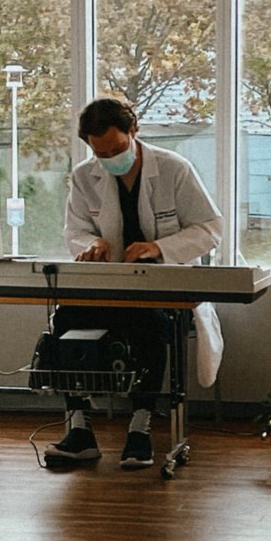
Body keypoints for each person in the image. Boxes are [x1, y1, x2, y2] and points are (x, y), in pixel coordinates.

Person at [44, 97, 223, 468]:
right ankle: (79, 430)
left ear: (134, 132)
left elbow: (210, 228)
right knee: (64, 322)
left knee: (149, 325)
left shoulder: (173, 169)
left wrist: (159, 247)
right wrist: (90, 244)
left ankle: (140, 429)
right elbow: (74, 230)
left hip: (163, 287)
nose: (111, 158)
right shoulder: (84, 176)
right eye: (102, 153)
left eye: (118, 149)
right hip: (109, 286)